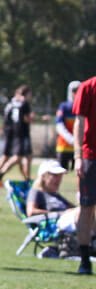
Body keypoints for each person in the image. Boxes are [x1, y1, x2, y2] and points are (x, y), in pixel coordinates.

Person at [72, 74, 96, 275]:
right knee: (87, 207)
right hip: (91, 156)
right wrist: (78, 156)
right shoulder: (88, 87)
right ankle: (85, 259)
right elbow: (79, 123)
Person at [0, 85, 34, 186]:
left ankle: (26, 179)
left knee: (23, 157)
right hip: (20, 133)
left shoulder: (11, 105)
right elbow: (26, 119)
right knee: (18, 157)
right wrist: (40, 119)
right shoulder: (23, 104)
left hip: (10, 133)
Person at [56, 80, 81, 171]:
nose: (76, 93)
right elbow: (59, 125)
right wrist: (70, 138)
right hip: (64, 145)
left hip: (79, 147)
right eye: (74, 91)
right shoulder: (64, 106)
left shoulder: (84, 106)